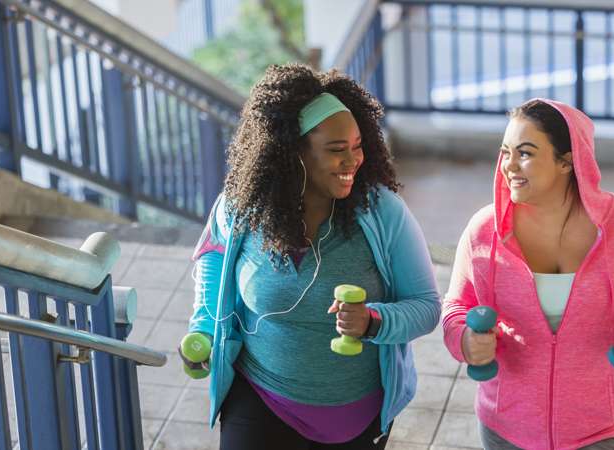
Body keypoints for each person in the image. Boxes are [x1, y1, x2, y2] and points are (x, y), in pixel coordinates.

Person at [183, 63, 440, 449]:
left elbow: (426, 307)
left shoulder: (384, 213)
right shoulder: (242, 208)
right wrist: (204, 327)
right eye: (337, 150)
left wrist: (373, 321)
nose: (353, 160)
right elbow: (214, 259)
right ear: (293, 152)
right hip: (261, 396)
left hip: (355, 414)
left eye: (357, 146)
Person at [442, 99, 614, 450]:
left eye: (525, 153)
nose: (509, 165)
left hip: (608, 428)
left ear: (568, 161)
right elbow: (456, 309)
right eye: (505, 152)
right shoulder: (484, 231)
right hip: (507, 427)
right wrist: (464, 340)